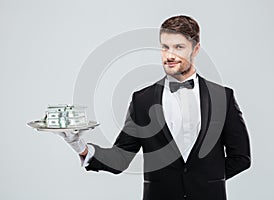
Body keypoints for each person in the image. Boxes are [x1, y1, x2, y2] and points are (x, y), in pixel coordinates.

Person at [56, 15, 251, 200]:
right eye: (165, 47)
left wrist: (205, 179)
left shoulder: (223, 97)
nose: (170, 55)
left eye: (179, 47)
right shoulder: (143, 100)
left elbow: (241, 157)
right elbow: (121, 158)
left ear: (196, 49)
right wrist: (80, 147)